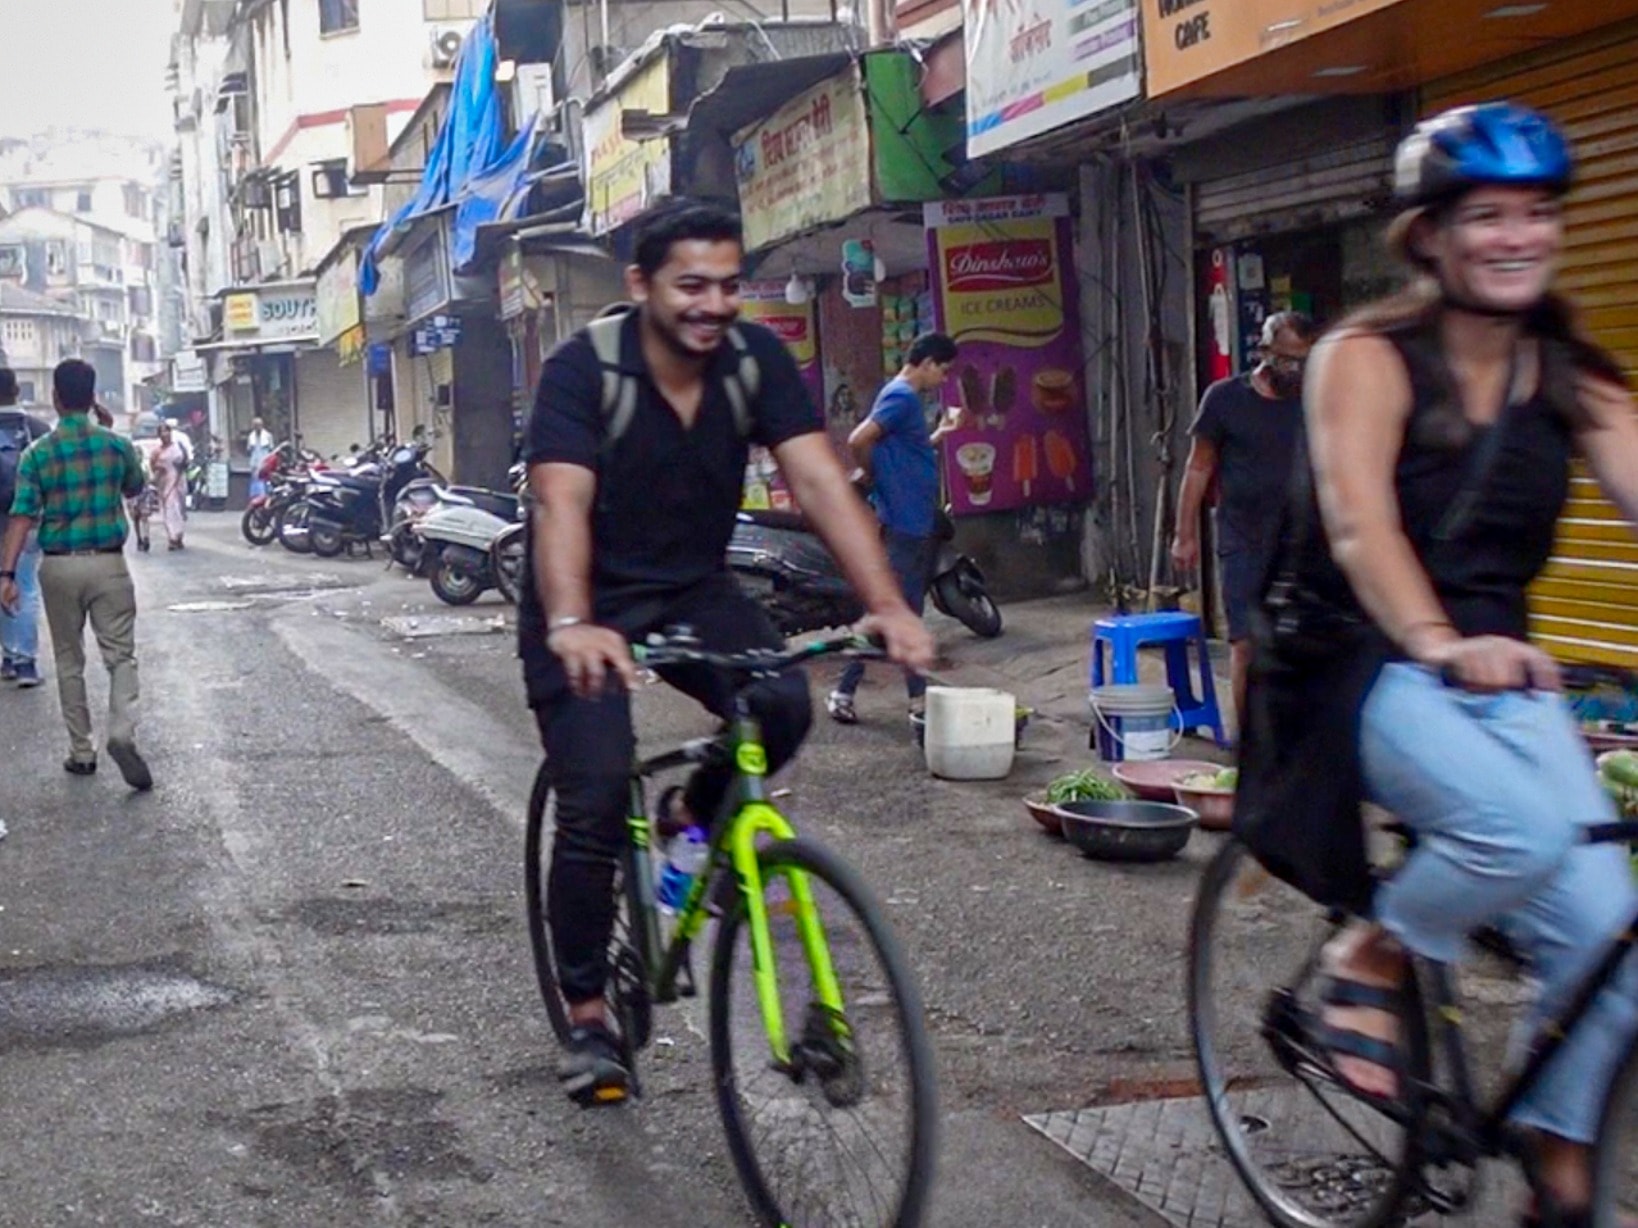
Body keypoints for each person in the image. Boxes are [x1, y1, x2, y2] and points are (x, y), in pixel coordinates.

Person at [1234, 103, 1638, 1226]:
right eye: (1486, 216)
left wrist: (1480, 657)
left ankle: (1559, 1171)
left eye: (1536, 215)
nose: (1516, 237)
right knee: (1524, 828)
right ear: (1429, 238)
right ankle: (1373, 949)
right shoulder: (1365, 357)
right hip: (1357, 659)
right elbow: (1362, 527)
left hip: (1503, 671)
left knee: (1614, 926)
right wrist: (1439, 643)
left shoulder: (1573, 374)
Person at [520, 198, 934, 1105]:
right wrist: (570, 622)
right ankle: (588, 1012)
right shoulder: (583, 371)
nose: (712, 304)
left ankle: (689, 822)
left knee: (782, 704)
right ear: (640, 285)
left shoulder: (753, 362)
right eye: (689, 285)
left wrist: (888, 604)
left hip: (695, 589)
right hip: (585, 598)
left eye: (727, 285)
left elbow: (821, 479)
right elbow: (559, 504)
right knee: (591, 794)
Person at [0, 359, 151, 789]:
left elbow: (21, 516)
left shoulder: (38, 452)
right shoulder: (116, 445)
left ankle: (81, 751)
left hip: (60, 566)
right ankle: (121, 732)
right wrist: (107, 429)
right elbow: (136, 487)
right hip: (108, 564)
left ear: (56, 397)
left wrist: (7, 574)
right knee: (120, 655)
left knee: (69, 660)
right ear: (92, 397)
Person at [1172, 311, 1318, 734]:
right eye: (1290, 360)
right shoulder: (1224, 399)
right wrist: (1184, 536)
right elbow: (1198, 469)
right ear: (1265, 353)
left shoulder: (1315, 398)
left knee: (1302, 643)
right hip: (1244, 538)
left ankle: (1297, 740)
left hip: (1303, 539)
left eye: (1307, 361)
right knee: (1247, 645)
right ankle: (1251, 743)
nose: (1298, 371)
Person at [825, 333, 963, 726]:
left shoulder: (904, 400)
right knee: (890, 614)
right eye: (944, 371)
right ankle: (844, 691)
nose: (944, 379)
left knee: (908, 613)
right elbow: (859, 439)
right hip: (904, 522)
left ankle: (917, 701)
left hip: (913, 520)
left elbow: (904, 448)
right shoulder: (901, 396)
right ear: (928, 362)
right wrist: (872, 474)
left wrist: (938, 436)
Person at [0, 369, 52, 688]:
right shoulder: (38, 430)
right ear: (18, 390)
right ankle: (26, 662)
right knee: (27, 585)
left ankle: (8, 655)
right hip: (30, 519)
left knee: (1, 583)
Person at [150, 421, 188, 551]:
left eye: (167, 431)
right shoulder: (157, 450)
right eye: (162, 432)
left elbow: (186, 461)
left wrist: (181, 468)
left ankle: (179, 535)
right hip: (165, 482)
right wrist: (159, 469)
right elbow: (152, 464)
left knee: (179, 509)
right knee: (169, 507)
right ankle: (172, 537)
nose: (165, 434)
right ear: (159, 435)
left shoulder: (179, 447)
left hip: (179, 480)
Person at [246, 417, 275, 501]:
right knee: (255, 480)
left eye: (259, 425)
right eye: (255, 425)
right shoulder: (251, 436)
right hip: (255, 462)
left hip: (265, 461)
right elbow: (249, 449)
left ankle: (267, 497)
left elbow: (271, 449)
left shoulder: (268, 436)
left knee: (266, 480)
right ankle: (256, 497)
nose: (257, 427)